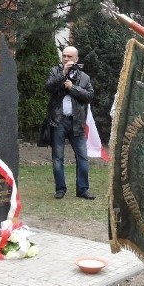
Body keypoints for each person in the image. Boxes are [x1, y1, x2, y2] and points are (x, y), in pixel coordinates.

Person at [44, 46, 95, 200]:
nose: (66, 59)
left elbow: (89, 96)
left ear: (76, 59)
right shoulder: (55, 71)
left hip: (77, 122)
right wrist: (63, 74)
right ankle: (60, 189)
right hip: (58, 121)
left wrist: (73, 88)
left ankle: (83, 189)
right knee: (58, 157)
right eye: (64, 56)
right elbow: (48, 87)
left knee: (82, 157)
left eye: (69, 57)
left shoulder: (84, 77)